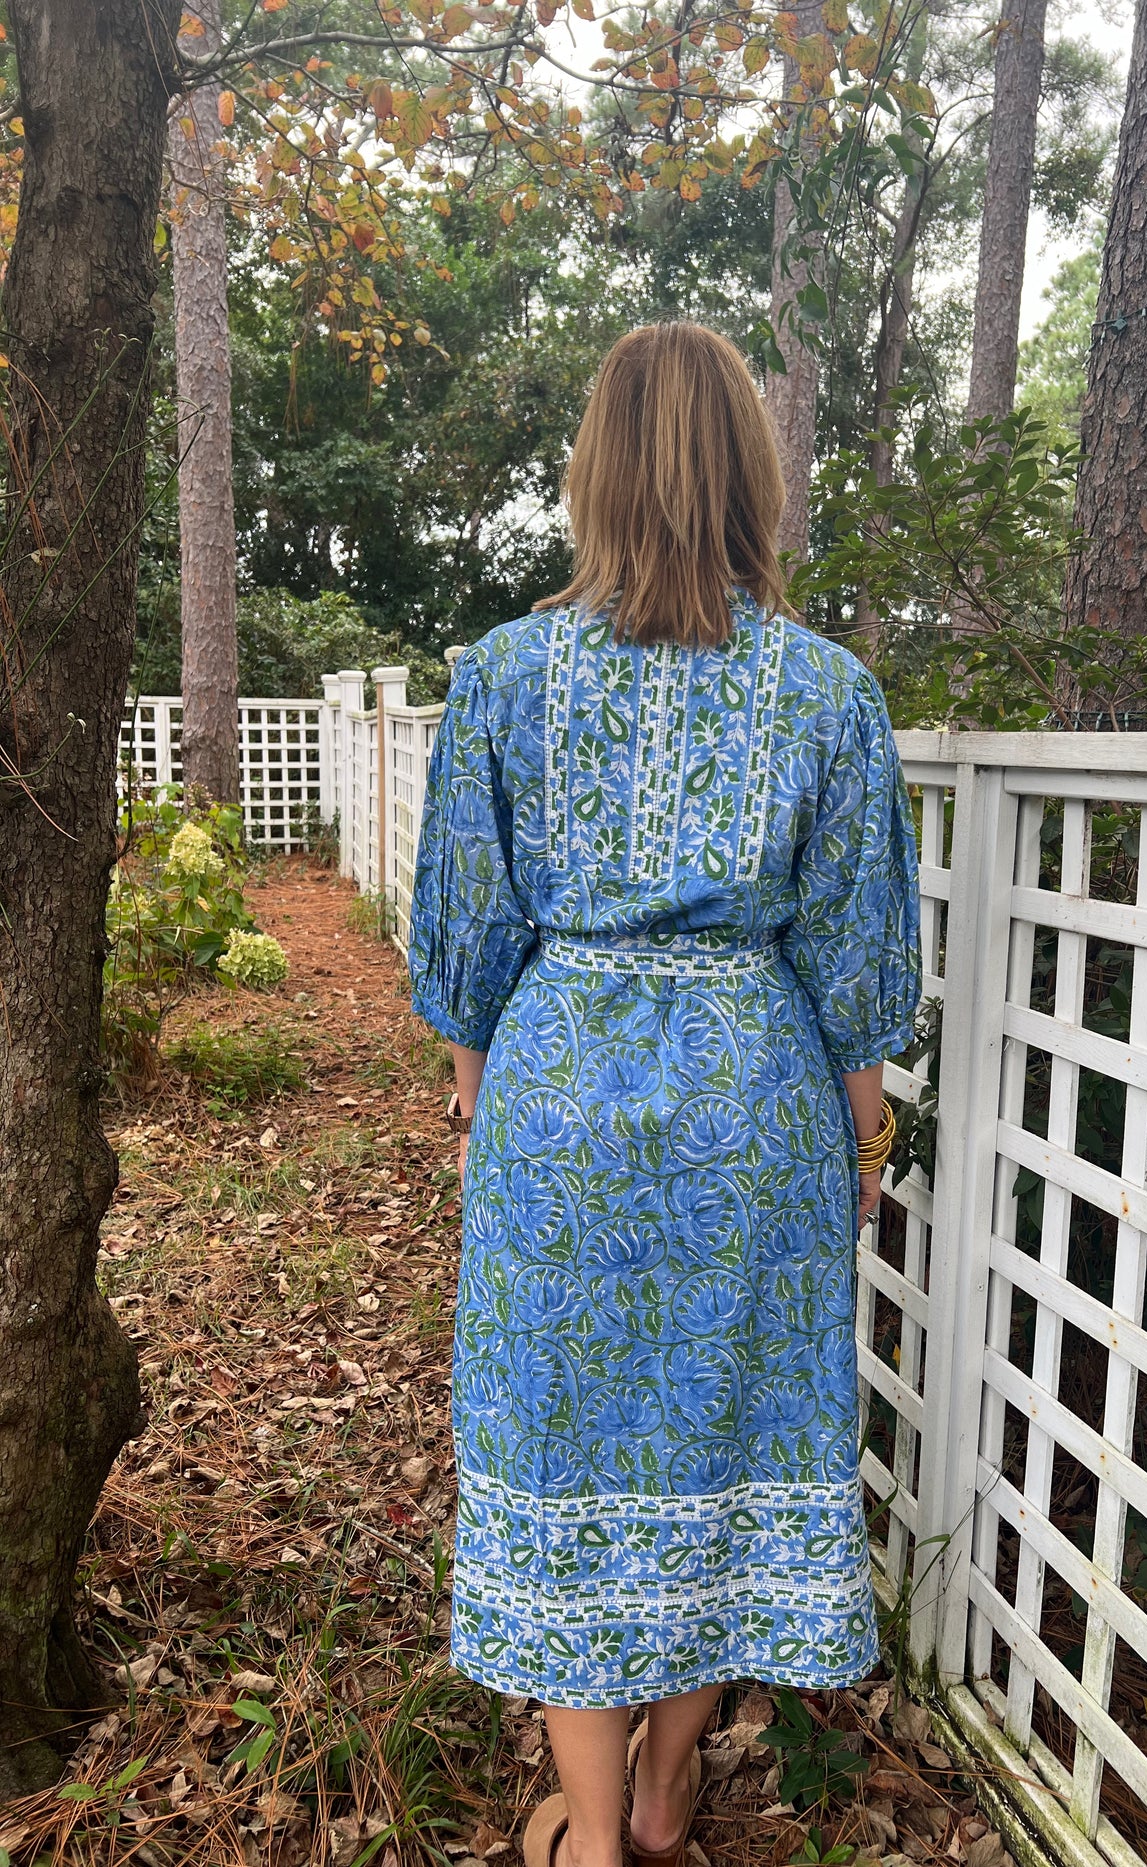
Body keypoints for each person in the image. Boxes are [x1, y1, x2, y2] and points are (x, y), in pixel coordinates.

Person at [407, 321, 921, 1867]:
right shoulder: (830, 696)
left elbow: (466, 953)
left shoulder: (498, 679)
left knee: (562, 1441)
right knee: (729, 1438)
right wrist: (867, 1140)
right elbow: (857, 973)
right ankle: (668, 1785)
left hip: (559, 1104)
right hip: (754, 1111)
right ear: (752, 480)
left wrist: (478, 1117)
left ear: (594, 475)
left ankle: (588, 1823)